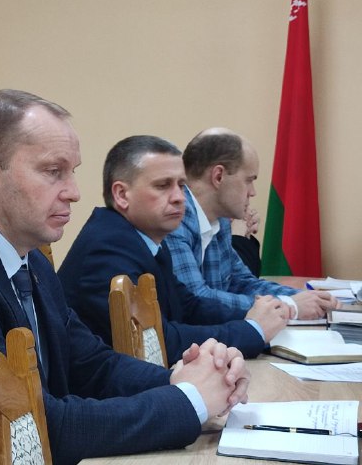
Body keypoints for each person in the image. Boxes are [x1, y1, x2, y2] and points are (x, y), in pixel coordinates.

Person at [0, 91, 250, 465]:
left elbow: (90, 363)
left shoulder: (29, 257)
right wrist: (188, 401)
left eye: (72, 171)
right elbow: (26, 429)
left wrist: (182, 379)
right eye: (54, 171)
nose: (74, 191)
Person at [57, 135, 289, 363]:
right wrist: (252, 330)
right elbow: (158, 343)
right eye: (163, 186)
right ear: (122, 195)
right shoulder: (108, 250)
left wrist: (254, 316)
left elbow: (189, 306)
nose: (180, 198)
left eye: (181, 185)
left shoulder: (144, 239)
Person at [167, 128, 337, 320]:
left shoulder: (219, 220)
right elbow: (196, 300)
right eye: (249, 180)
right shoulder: (175, 221)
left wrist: (304, 298)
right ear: (218, 176)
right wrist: (289, 305)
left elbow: (240, 282)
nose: (253, 192)